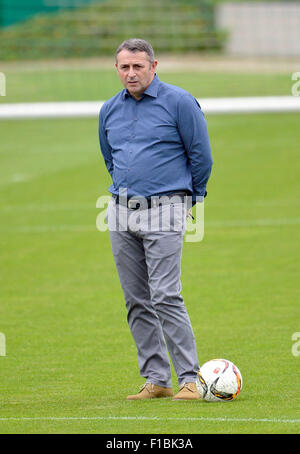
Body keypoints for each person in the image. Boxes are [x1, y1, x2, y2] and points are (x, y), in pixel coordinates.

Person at [98, 38, 213, 400]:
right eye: (124, 66)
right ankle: (157, 380)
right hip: (119, 211)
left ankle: (190, 379)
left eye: (138, 66)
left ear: (154, 65)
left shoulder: (179, 102)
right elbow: (110, 158)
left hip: (166, 207)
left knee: (165, 295)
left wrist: (188, 201)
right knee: (136, 299)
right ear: (116, 69)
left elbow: (201, 155)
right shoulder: (108, 110)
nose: (131, 73)